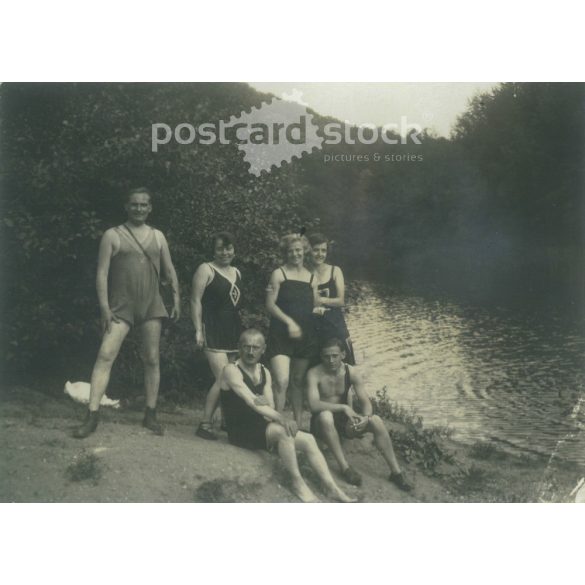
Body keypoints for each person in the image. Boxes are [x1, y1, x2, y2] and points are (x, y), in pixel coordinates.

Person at [73, 187, 180, 438]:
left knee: (152, 358)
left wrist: (176, 298)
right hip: (121, 307)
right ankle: (92, 415)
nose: (139, 209)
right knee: (105, 355)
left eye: (144, 205)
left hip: (151, 306)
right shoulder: (113, 235)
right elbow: (102, 273)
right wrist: (104, 307)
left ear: (150, 208)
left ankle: (150, 414)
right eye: (134, 204)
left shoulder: (158, 236)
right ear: (126, 206)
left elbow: (170, 270)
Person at [220, 329, 356, 503]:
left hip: (262, 427)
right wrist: (279, 416)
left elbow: (268, 405)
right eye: (246, 347)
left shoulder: (264, 372)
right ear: (239, 348)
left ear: (264, 349)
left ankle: (332, 488)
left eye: (256, 347)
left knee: (308, 439)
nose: (251, 352)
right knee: (285, 432)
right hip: (240, 431)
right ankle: (297, 483)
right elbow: (251, 401)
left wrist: (267, 407)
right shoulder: (231, 370)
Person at [307, 338, 413, 492]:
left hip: (343, 422)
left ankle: (396, 473)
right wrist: (343, 407)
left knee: (375, 420)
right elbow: (313, 405)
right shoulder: (314, 373)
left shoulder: (351, 372)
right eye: (326, 356)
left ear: (343, 354)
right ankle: (345, 468)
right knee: (326, 416)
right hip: (320, 424)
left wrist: (366, 417)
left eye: (334, 356)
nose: (330, 360)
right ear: (321, 356)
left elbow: (366, 402)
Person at [265, 233, 321, 426]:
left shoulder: (312, 279)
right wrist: (289, 322)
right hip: (281, 334)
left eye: (298, 250)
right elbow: (270, 305)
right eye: (290, 251)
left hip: (305, 337)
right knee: (281, 381)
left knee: (298, 381)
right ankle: (275, 423)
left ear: (304, 251)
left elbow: (314, 306)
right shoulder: (279, 274)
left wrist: (319, 312)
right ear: (285, 253)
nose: (295, 254)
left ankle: (298, 424)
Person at [191, 232, 242, 440]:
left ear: (234, 250)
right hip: (213, 328)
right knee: (223, 378)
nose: (225, 253)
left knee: (232, 378)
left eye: (228, 248)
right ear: (214, 250)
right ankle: (204, 424)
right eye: (220, 248)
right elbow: (195, 301)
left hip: (233, 331)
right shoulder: (206, 269)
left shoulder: (238, 272)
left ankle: (226, 421)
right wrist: (198, 330)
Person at [308, 233, 355, 365]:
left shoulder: (335, 271)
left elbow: (340, 301)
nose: (320, 254)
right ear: (308, 251)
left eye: (323, 250)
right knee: (316, 366)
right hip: (313, 327)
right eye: (316, 250)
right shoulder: (304, 272)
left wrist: (319, 300)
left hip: (335, 326)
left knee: (343, 366)